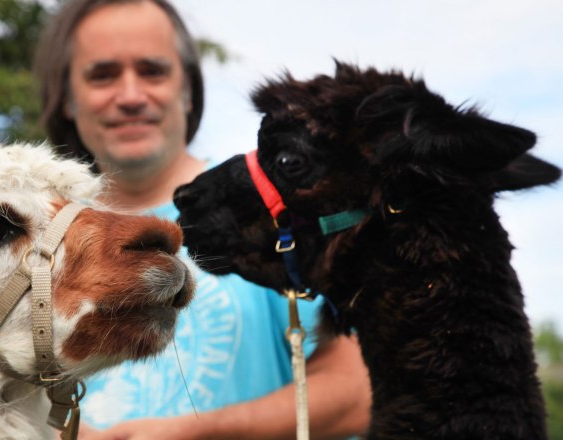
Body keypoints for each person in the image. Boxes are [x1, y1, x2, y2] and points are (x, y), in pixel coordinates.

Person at [33, 0, 372, 438]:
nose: (131, 95)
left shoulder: (277, 211)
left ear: (188, 90)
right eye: (103, 75)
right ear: (66, 99)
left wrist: (206, 433)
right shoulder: (30, 239)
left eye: (153, 71)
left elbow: (362, 386)